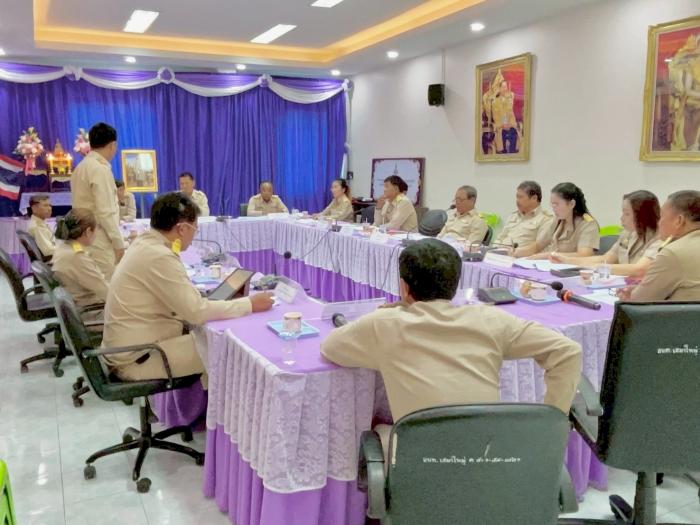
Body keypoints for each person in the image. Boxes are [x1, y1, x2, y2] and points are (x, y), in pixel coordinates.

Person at [321, 238, 582, 453]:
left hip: (422, 462)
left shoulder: (385, 324)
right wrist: (552, 428)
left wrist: (396, 308)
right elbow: (567, 351)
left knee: (380, 429)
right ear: (455, 285)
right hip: (488, 457)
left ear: (404, 287)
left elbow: (330, 347)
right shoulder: (490, 319)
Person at [102, 192, 274, 382]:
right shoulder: (158, 255)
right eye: (195, 229)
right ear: (182, 228)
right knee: (234, 349)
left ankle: (204, 399)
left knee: (215, 336)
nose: (194, 236)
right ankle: (217, 401)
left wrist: (200, 297)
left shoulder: (145, 243)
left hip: (132, 347)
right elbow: (196, 312)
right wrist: (250, 304)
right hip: (138, 357)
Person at [551, 191, 663, 276]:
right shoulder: (628, 233)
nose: (621, 218)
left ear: (642, 216)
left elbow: (639, 269)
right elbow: (607, 258)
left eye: (627, 214)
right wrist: (567, 260)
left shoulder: (660, 238)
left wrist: (597, 267)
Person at [618, 190, 700, 302]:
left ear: (679, 221)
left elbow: (639, 301)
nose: (658, 222)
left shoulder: (672, 253)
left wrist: (633, 293)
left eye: (661, 216)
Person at [71, 122, 125, 279]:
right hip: (99, 237)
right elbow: (105, 212)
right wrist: (118, 243)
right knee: (106, 285)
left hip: (84, 234)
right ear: (113, 145)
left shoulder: (80, 167)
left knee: (93, 281)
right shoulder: (100, 169)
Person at [515, 182, 599, 259]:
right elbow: (538, 245)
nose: (553, 208)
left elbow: (584, 255)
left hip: (572, 269)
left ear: (572, 204)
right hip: (552, 266)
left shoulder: (588, 224)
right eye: (552, 204)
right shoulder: (557, 220)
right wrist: (515, 252)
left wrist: (549, 255)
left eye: (556, 204)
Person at [52, 208, 109, 307]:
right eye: (96, 230)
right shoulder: (76, 257)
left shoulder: (64, 247)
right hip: (91, 309)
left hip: (78, 304)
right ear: (88, 231)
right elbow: (105, 291)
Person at [495, 181, 553, 248]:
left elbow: (540, 247)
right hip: (499, 252)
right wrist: (494, 249)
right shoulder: (513, 216)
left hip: (521, 254)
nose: (517, 200)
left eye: (520, 197)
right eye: (517, 197)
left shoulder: (545, 219)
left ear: (534, 198)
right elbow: (500, 238)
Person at [27, 194, 55, 258]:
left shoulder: (40, 222)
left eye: (50, 205)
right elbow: (48, 251)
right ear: (34, 208)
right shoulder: (37, 227)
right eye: (45, 205)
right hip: (54, 260)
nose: (50, 208)